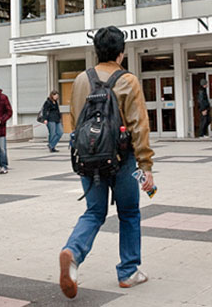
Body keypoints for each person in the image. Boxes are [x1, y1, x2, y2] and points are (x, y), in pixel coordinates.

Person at [58, 26, 155, 299]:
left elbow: (76, 120)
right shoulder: (128, 81)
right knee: (129, 213)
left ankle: (73, 253)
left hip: (89, 158)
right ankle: (128, 271)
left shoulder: (80, 80)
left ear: (96, 51)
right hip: (122, 159)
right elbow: (139, 126)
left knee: (93, 212)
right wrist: (145, 165)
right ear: (121, 54)